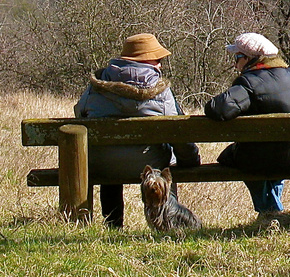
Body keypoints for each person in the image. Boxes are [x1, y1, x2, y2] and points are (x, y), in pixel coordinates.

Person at [75, 32, 200, 229]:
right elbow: (179, 132)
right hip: (151, 162)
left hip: (104, 164)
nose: (160, 64)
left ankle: (113, 225)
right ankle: (166, 223)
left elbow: (79, 114)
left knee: (111, 163)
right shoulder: (162, 92)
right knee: (167, 169)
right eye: (158, 59)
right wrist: (190, 160)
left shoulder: (95, 88)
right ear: (148, 60)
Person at [204, 32, 290, 227]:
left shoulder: (249, 82)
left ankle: (270, 213)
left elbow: (217, 109)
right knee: (269, 155)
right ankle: (273, 212)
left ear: (249, 59)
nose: (235, 64)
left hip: (267, 158)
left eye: (237, 57)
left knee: (234, 157)